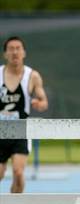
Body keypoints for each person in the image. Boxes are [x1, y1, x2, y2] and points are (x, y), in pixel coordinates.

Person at [0, 36, 48, 193]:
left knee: (18, 173)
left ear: (24, 52)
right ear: (5, 54)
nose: (15, 52)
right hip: (0, 133)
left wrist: (39, 104)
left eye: (18, 48)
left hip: (21, 132)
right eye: (11, 49)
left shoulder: (32, 76)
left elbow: (43, 101)